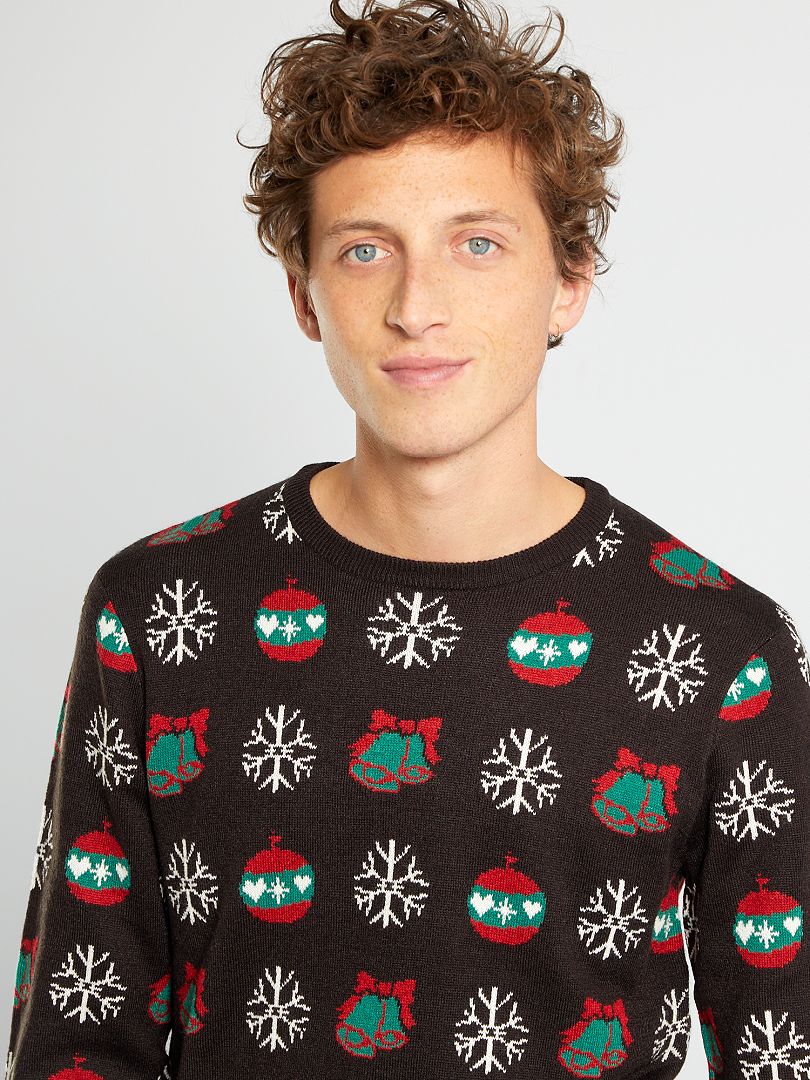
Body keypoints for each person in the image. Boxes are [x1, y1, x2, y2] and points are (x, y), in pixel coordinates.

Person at [6, 1, 808, 1077]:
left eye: (477, 243)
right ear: (305, 296)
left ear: (569, 281)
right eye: (364, 249)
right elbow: (77, 1040)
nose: (416, 305)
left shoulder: (718, 647)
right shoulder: (159, 613)